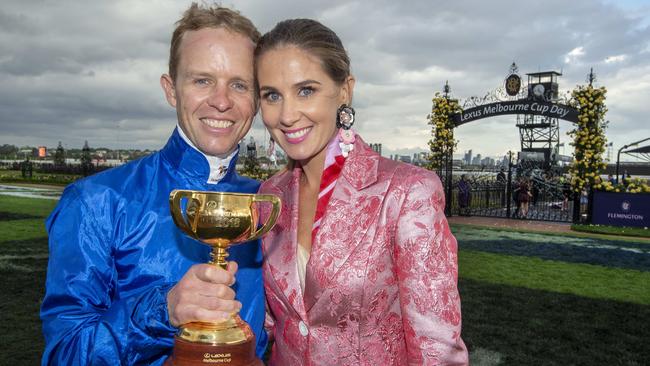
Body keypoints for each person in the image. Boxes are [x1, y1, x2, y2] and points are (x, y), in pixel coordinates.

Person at [40, 4, 267, 365]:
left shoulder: (267, 203)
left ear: (256, 99)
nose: (222, 101)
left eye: (239, 84)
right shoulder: (96, 202)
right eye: (202, 80)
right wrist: (161, 310)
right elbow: (64, 354)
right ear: (171, 90)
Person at [254, 19, 468, 365]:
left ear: (344, 91)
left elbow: (437, 350)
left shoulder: (407, 193)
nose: (287, 115)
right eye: (272, 95)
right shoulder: (269, 197)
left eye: (306, 90)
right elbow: (271, 325)